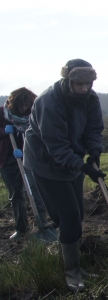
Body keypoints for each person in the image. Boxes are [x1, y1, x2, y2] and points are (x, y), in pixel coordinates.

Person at [24, 59, 105, 292]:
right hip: (46, 163)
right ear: (68, 79)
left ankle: (76, 265)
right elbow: (56, 147)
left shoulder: (91, 98)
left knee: (77, 214)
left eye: (89, 83)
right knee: (68, 216)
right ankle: (71, 272)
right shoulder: (48, 102)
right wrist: (83, 167)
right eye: (80, 83)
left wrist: (95, 153)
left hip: (73, 161)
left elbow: (94, 129)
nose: (84, 88)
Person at [1, 88, 54, 240]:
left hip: (29, 156)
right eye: (21, 105)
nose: (24, 108)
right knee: (16, 194)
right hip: (8, 159)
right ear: (14, 103)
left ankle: (43, 222)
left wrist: (25, 153)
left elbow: (40, 135)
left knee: (35, 189)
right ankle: (21, 228)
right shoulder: (2, 114)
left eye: (27, 105)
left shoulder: (33, 115)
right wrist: (4, 131)